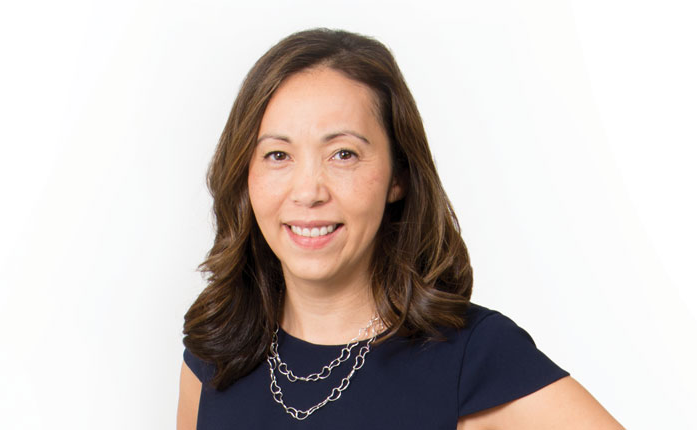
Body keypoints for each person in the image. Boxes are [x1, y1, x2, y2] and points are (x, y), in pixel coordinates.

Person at [177, 28, 623, 430]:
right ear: (245, 173)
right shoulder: (217, 346)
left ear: (398, 176)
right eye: (278, 155)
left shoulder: (473, 356)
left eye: (343, 154)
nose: (308, 191)